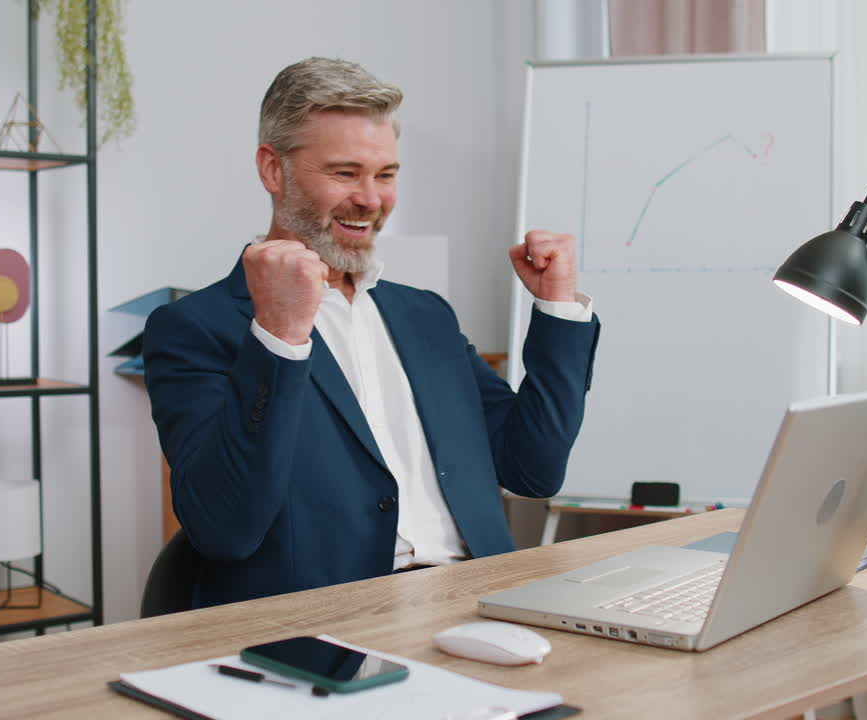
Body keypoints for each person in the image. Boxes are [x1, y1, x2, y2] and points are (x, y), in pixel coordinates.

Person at [143, 57, 600, 609]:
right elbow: (224, 527)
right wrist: (280, 335)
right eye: (344, 173)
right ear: (272, 170)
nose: (370, 198)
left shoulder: (426, 316)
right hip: (332, 626)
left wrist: (557, 309)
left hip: (485, 604)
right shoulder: (193, 329)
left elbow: (534, 469)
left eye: (385, 175)